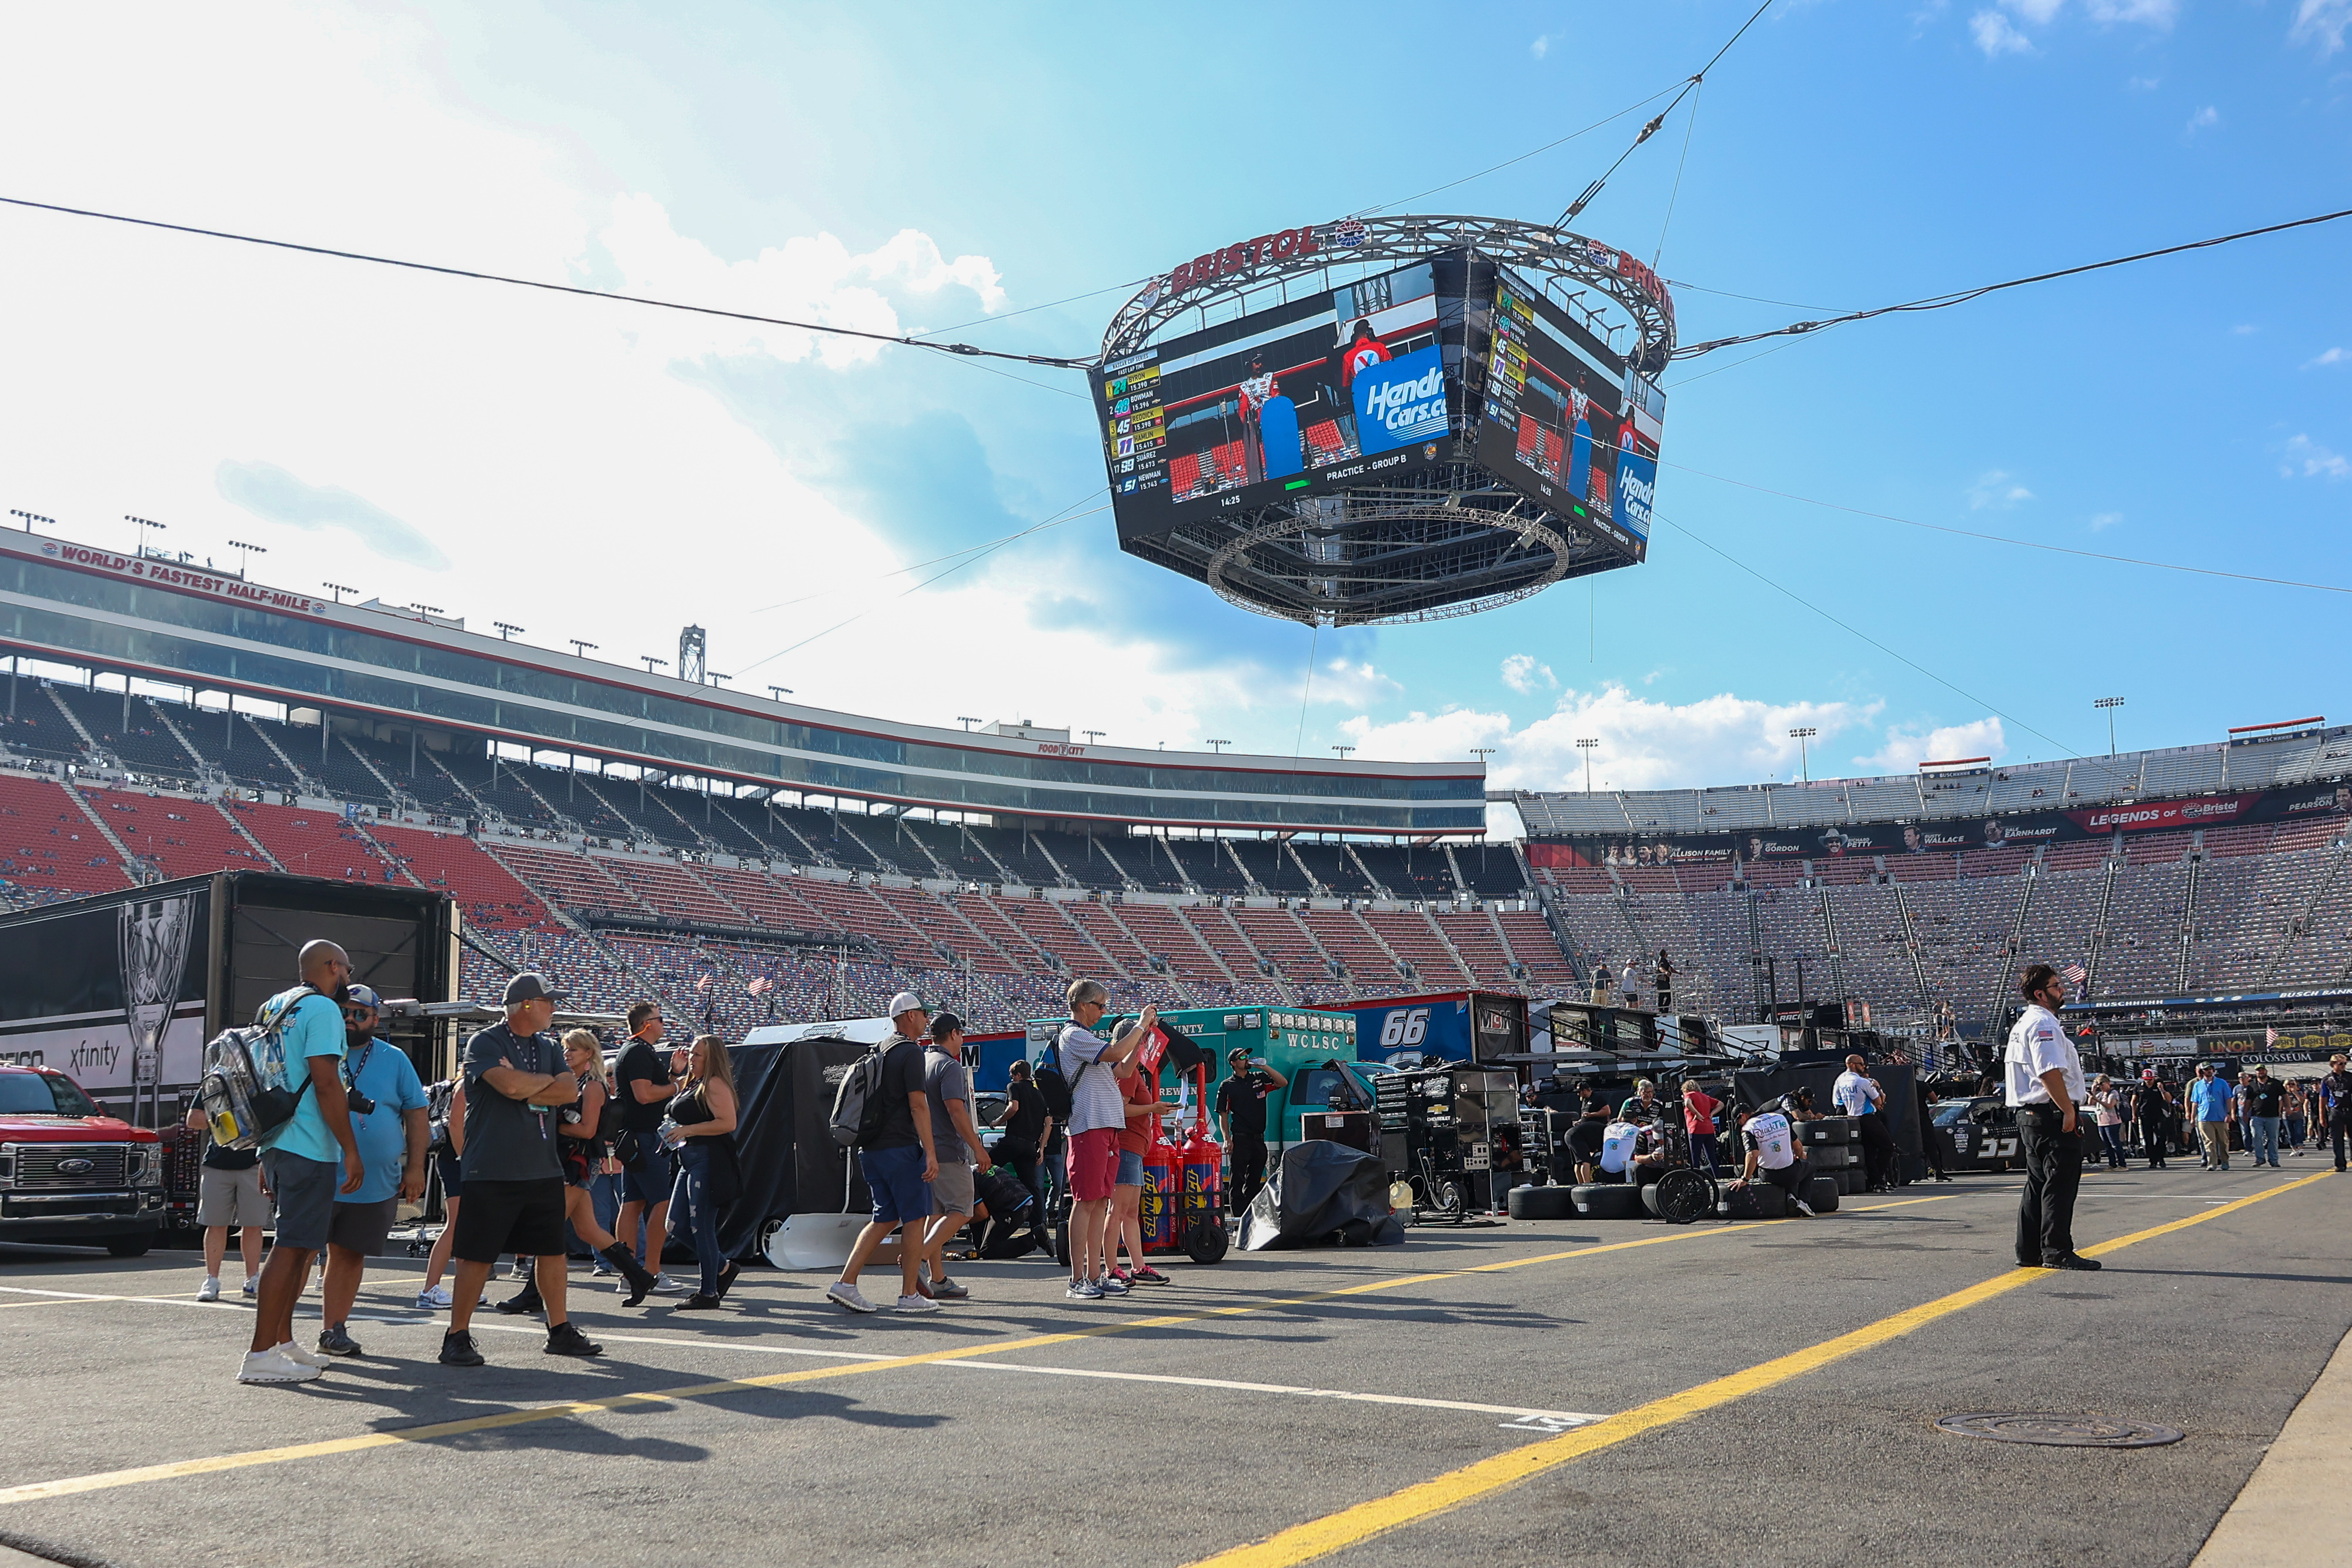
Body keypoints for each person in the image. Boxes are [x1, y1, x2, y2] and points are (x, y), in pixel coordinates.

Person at [438, 972, 603, 1366]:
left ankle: (559, 1330)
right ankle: (456, 1335)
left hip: (541, 1168)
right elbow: (509, 1087)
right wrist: (532, 1084)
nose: (554, 1008)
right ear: (527, 1004)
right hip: (492, 1168)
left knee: (552, 1252)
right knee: (478, 1256)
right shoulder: (486, 1041)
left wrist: (526, 1082)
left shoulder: (546, 1046)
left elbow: (567, 1090)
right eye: (548, 1001)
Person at [238, 940, 363, 1385]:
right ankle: (259, 1353)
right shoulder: (324, 1010)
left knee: (302, 1246)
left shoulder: (274, 1005)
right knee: (292, 1248)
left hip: (278, 1139)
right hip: (309, 1142)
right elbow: (328, 1083)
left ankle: (283, 1342)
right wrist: (350, 1148)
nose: (349, 976)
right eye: (347, 967)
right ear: (333, 966)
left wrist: (264, 1150)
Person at [314, 986, 431, 1358]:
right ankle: (279, 1337)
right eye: (343, 1013)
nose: (350, 1019)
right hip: (317, 1171)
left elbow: (417, 1114)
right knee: (296, 1254)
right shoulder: (317, 1052)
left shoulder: (395, 1059)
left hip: (375, 1181)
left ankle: (333, 1330)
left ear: (376, 1020)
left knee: (349, 1254)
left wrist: (415, 1167)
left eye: (359, 1014)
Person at [826, 993, 940, 1315]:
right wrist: (930, 1153)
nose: (926, 1018)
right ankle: (908, 1295)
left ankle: (846, 1283)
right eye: (923, 1012)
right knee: (916, 1218)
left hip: (872, 1147)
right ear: (908, 1016)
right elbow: (918, 1104)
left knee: (884, 1218)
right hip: (900, 1148)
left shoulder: (879, 1049)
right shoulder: (911, 1052)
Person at [1057, 981, 1152, 1301]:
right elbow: (1114, 1053)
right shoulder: (1074, 1036)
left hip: (1106, 1127)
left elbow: (1124, 1069)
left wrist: (1142, 1037)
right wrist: (1139, 1026)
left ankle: (1095, 1276)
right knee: (1085, 1202)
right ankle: (1077, 1278)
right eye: (1100, 1005)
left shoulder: (1087, 1037)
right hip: (1089, 1127)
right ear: (1083, 1005)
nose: (1103, 1011)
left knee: (1099, 1202)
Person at [2005, 964, 2096, 1271]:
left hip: (2032, 1113)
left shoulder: (2025, 1023)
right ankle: (2057, 1250)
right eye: (2057, 986)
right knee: (2060, 1182)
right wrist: (2068, 1109)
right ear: (2040, 994)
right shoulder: (2044, 1024)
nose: (2063, 990)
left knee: (2038, 1183)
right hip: (2050, 1112)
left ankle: (2029, 1251)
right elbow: (2048, 1071)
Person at [611, 999, 684, 1296]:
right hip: (644, 1138)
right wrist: (677, 1086)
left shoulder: (636, 1051)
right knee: (662, 1204)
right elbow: (644, 1095)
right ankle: (651, 1272)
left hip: (636, 1137)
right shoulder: (639, 1051)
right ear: (647, 1024)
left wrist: (672, 1075)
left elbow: (648, 1092)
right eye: (661, 1019)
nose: (664, 1023)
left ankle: (630, 1274)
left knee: (632, 1205)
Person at [917, 1013, 992, 1301]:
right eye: (961, 1034)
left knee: (935, 1215)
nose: (963, 1039)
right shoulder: (949, 1066)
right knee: (962, 1211)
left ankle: (937, 1279)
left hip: (926, 1150)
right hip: (947, 1150)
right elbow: (956, 1111)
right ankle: (919, 1260)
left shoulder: (923, 1062)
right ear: (953, 1034)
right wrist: (979, 1148)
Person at [663, 1034, 741, 1310]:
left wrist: (688, 1129)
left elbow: (728, 1122)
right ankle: (723, 1267)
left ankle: (708, 1291)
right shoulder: (692, 1082)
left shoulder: (715, 1083)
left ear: (711, 1058)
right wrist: (676, 1071)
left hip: (708, 1159)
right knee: (675, 1225)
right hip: (689, 1159)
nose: (692, 1058)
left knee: (701, 1226)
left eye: (697, 1055)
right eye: (692, 1053)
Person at [185, 1094, 266, 1303]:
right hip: (217, 1164)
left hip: (254, 1164)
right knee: (215, 1225)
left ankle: (252, 1280)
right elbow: (193, 1120)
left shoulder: (258, 1080)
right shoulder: (214, 1084)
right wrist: (228, 1116)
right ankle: (211, 1281)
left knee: (254, 1225)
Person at [1110, 1035, 1169, 1288]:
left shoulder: (1131, 1071)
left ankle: (1137, 1265)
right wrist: (1152, 1108)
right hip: (1126, 1147)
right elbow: (1120, 1109)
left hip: (1134, 1148)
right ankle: (1112, 1267)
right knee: (1118, 1212)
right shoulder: (1128, 1072)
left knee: (1130, 1212)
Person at [417, 1074, 471, 1309]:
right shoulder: (465, 1084)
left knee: (462, 1226)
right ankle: (429, 1291)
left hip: (458, 1159)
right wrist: (464, 1160)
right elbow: (456, 1124)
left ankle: (465, 1287)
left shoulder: (467, 1082)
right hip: (456, 1160)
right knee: (455, 1225)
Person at [1214, 1047, 1288, 1216]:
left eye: (1247, 1056)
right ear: (1233, 1063)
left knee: (1255, 1180)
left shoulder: (1259, 1079)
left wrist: (1264, 1067)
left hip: (1258, 1139)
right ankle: (1238, 1218)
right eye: (1242, 1057)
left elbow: (1282, 1083)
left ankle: (1252, 1216)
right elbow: (1223, 1114)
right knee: (1237, 1179)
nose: (1246, 1059)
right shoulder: (1227, 1086)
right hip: (1240, 1139)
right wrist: (1227, 1139)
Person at [1730, 1095, 1815, 1216]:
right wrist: (1800, 1159)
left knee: (1763, 1168)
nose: (1740, 1125)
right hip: (1791, 1173)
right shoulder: (1780, 1118)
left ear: (1743, 1115)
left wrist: (1745, 1179)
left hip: (1768, 1175)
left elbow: (1752, 1154)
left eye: (1739, 1122)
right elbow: (1798, 1146)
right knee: (1808, 1167)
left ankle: (1790, 1196)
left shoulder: (1748, 1128)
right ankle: (1803, 1201)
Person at [989, 1059, 1051, 1209]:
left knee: (986, 1168)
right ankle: (1038, 1224)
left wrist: (997, 1122)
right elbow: (1048, 1123)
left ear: (1018, 1075)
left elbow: (1014, 1107)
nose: (1011, 1078)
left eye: (1012, 1075)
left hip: (1013, 1141)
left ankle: (986, 1208)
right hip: (1030, 1146)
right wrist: (1041, 1149)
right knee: (1032, 1187)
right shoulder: (1039, 1094)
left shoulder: (1014, 1087)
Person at [1833, 1055, 1895, 1192]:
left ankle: (1876, 1182)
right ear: (1853, 1065)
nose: (1864, 1067)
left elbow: (1837, 1102)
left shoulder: (1840, 1080)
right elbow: (1879, 1102)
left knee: (1869, 1151)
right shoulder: (1863, 1082)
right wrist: (1877, 1088)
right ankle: (1877, 1179)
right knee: (1887, 1147)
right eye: (1861, 1064)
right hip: (1866, 1117)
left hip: (1850, 1119)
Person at [2186, 1061, 2234, 1172]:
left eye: (2210, 1069)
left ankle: (2225, 1161)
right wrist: (2193, 1118)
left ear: (2213, 1070)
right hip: (2204, 1118)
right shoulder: (2198, 1085)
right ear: (2202, 1071)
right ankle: (2212, 1163)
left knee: (2223, 1141)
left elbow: (2228, 1099)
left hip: (2221, 1117)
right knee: (2209, 1142)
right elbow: (2195, 1102)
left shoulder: (2222, 1083)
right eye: (2206, 1069)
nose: (2209, 1071)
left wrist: (2229, 1113)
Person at [2243, 1065, 2287, 1169]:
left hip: (2273, 1116)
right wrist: (2245, 1113)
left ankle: (2274, 1160)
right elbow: (2248, 1101)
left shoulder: (2275, 1083)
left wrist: (2287, 1107)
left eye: (2262, 1070)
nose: (2261, 1072)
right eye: (2258, 1071)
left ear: (2266, 1071)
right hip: (2256, 1116)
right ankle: (2260, 1159)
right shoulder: (2252, 1084)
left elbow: (2284, 1095)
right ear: (2256, 1072)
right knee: (2257, 1137)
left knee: (2273, 1138)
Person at [1679, 1078, 1720, 1176]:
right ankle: (1718, 1178)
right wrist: (1712, 1114)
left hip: (1696, 1128)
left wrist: (1697, 1114)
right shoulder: (1705, 1097)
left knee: (1695, 1157)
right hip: (1709, 1128)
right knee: (1711, 1157)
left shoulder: (1689, 1095)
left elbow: (1688, 1103)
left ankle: (1696, 1179)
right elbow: (1720, 1104)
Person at [2133, 1069, 2172, 1171]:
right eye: (2146, 1080)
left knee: (2162, 1137)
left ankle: (2161, 1157)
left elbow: (2169, 1100)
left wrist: (2162, 1090)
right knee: (2148, 1139)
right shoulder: (2139, 1086)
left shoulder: (2160, 1085)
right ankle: (2153, 1161)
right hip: (2145, 1115)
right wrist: (2134, 1115)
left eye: (2150, 1079)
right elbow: (2133, 1101)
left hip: (2159, 1114)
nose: (2148, 1082)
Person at [2319, 1053, 2352, 1172]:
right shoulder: (2327, 1080)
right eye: (2341, 1064)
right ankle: (2340, 1163)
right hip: (2336, 1111)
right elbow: (2323, 1099)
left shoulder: (2350, 1077)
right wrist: (2322, 1117)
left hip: (2350, 1109)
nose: (2344, 1066)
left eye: (2345, 1063)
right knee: (2337, 1139)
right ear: (2333, 1064)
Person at [1565, 1096, 1610, 1183]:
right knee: (1586, 1161)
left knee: (1578, 1162)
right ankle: (1587, 1184)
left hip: (1569, 1134)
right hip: (1576, 1136)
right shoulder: (1606, 1133)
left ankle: (1581, 1185)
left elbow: (1594, 1149)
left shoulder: (1600, 1130)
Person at [2089, 1075, 2128, 1171]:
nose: (2101, 1087)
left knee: (2115, 1143)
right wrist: (2093, 1092)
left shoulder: (2113, 1093)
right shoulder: (2100, 1094)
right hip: (2102, 1122)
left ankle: (2122, 1164)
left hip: (2112, 1121)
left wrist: (2097, 1100)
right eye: (2099, 1085)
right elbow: (2090, 1103)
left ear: (2108, 1083)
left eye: (2102, 1084)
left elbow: (2110, 1105)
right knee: (2107, 1145)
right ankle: (2112, 1164)